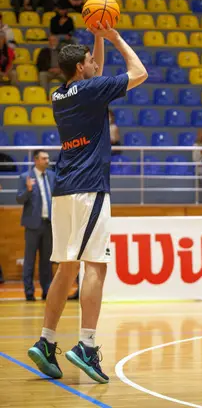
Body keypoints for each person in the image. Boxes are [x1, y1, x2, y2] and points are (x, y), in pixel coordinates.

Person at [28, 20, 147, 383]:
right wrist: (114, 37)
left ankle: (47, 341)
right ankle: (86, 345)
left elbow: (94, 72)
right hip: (89, 187)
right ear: (81, 67)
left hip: (64, 188)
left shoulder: (60, 94)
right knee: (95, 265)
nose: (96, 64)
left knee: (66, 268)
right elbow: (139, 72)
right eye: (90, 61)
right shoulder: (91, 91)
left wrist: (96, 37)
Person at [16, 150, 55, 301]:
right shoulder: (25, 177)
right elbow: (19, 199)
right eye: (44, 158)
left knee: (47, 261)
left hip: (48, 224)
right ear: (36, 160)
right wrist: (28, 190)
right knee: (30, 260)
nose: (47, 161)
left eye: (48, 158)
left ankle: (47, 291)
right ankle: (29, 292)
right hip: (32, 225)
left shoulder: (51, 176)